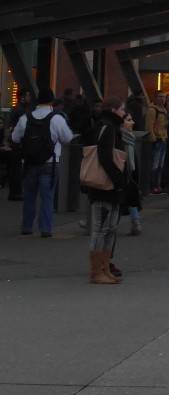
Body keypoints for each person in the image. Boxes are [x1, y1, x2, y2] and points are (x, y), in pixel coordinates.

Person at [12, 88, 75, 238]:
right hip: (50, 162)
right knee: (47, 196)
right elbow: (68, 138)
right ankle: (45, 228)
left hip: (29, 162)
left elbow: (15, 137)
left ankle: (26, 226)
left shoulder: (25, 117)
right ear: (52, 101)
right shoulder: (57, 118)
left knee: (29, 195)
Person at [84, 98, 128, 285]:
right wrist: (118, 179)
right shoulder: (108, 128)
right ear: (114, 110)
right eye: (121, 110)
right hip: (106, 184)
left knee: (108, 227)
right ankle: (97, 271)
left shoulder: (106, 126)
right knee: (102, 228)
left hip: (108, 184)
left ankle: (103, 267)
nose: (123, 113)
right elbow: (105, 156)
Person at [119, 110, 143, 236]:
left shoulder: (129, 136)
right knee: (128, 195)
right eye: (128, 120)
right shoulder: (121, 137)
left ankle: (135, 222)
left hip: (129, 169)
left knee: (129, 195)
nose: (132, 122)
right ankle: (135, 222)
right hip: (126, 169)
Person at [7, 89, 34, 201]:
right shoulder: (22, 111)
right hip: (19, 143)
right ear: (22, 97)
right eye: (28, 96)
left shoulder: (17, 109)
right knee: (17, 168)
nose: (30, 98)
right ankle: (16, 191)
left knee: (15, 167)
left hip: (16, 142)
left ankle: (15, 191)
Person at [145, 91, 169, 194]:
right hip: (157, 139)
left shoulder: (163, 109)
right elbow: (149, 126)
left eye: (163, 97)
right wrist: (153, 139)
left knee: (160, 165)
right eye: (160, 96)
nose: (162, 99)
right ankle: (152, 186)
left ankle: (157, 185)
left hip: (163, 138)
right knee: (154, 165)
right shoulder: (152, 110)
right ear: (155, 98)